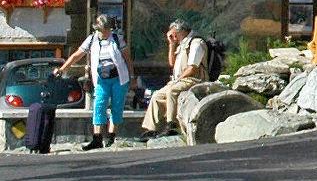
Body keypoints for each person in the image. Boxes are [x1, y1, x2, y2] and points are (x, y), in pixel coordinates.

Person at [58, 13, 132, 150]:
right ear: (97, 29)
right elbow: (76, 55)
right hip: (101, 79)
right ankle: (97, 138)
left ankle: (111, 136)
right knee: (99, 105)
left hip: (119, 78)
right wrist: (62, 69)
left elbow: (127, 58)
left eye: (107, 30)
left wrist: (131, 77)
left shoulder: (116, 38)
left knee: (116, 107)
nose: (105, 33)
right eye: (103, 30)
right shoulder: (91, 40)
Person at [142, 19, 209, 134]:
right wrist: (171, 45)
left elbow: (192, 68)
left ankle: (171, 124)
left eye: (173, 34)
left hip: (194, 79)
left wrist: (178, 79)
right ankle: (151, 129)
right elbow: (172, 63)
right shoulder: (182, 45)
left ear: (181, 31)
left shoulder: (196, 43)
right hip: (180, 79)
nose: (172, 36)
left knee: (172, 91)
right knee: (157, 96)